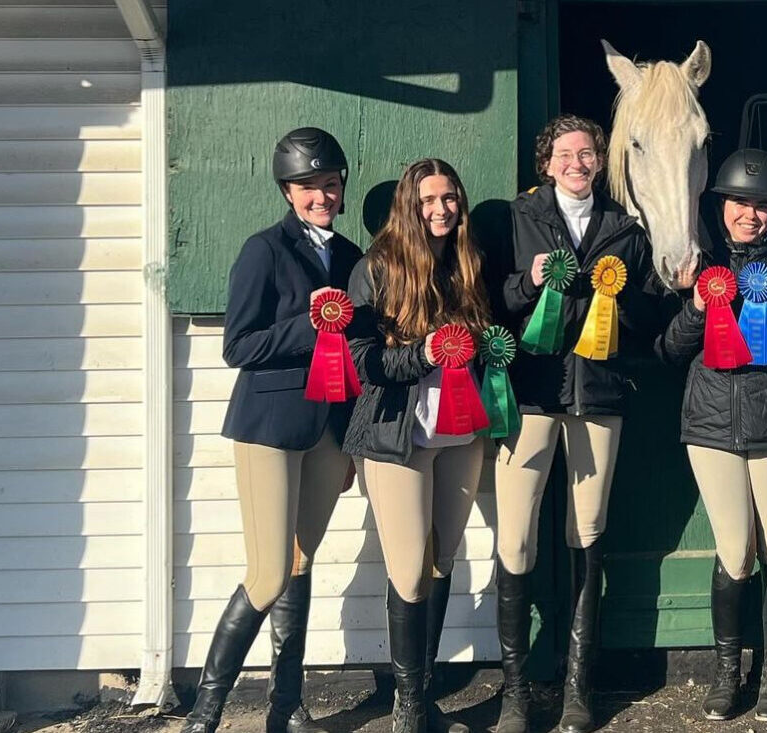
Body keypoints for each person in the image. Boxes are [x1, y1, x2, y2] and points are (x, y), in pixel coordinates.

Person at [182, 127, 361, 733]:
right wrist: (310, 326)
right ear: (288, 191)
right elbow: (239, 344)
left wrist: (352, 444)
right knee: (267, 574)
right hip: (269, 426)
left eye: (330, 184)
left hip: (327, 431)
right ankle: (205, 713)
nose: (322, 196)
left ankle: (286, 709)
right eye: (309, 187)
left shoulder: (351, 256)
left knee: (301, 562)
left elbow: (357, 354)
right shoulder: (264, 250)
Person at [491, 114, 658, 733]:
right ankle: (514, 694)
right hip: (533, 392)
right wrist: (525, 282)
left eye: (587, 153)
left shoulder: (625, 229)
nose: (577, 162)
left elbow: (645, 316)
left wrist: (621, 298)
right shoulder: (515, 218)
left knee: (587, 531)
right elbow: (493, 299)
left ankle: (577, 690)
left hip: (599, 393)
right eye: (566, 153)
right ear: (546, 162)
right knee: (516, 537)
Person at [660, 148, 767, 723]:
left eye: (760, 206)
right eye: (740, 204)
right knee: (735, 550)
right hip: (711, 428)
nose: (750, 215)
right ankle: (727, 671)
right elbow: (667, 351)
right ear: (722, 206)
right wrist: (696, 306)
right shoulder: (698, 269)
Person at [343, 158, 491, 733]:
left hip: (460, 435)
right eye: (429, 199)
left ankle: (424, 693)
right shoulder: (375, 269)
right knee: (407, 570)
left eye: (450, 197)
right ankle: (408, 708)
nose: (441, 209)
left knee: (441, 560)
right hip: (394, 437)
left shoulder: (469, 262)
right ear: (409, 203)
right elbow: (363, 363)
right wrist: (424, 354)